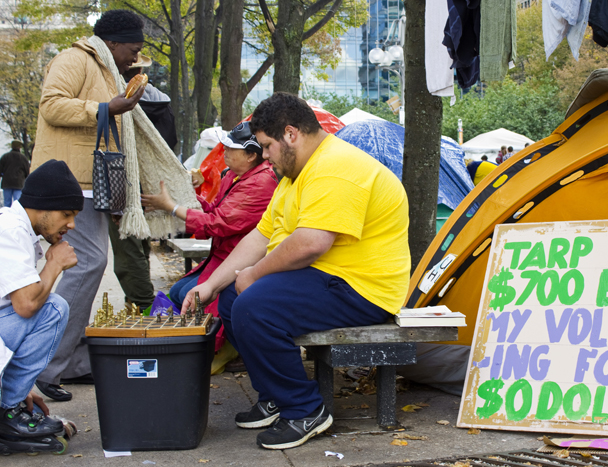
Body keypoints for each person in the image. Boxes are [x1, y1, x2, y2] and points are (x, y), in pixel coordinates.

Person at [180, 92, 409, 450]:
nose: (265, 156)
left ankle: (305, 409)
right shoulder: (294, 174)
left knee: (254, 304)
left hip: (363, 288)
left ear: (290, 134)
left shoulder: (337, 166)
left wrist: (254, 276)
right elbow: (260, 236)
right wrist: (209, 285)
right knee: (229, 297)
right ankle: (274, 394)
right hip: (327, 277)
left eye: (267, 146)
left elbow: (311, 243)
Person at [31, 9, 146, 402]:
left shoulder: (108, 70)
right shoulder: (74, 59)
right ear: (113, 42)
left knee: (90, 263)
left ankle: (74, 362)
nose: (136, 56)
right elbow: (51, 105)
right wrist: (104, 109)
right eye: (134, 48)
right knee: (91, 261)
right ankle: (47, 364)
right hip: (69, 183)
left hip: (90, 185)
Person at [0, 160, 82, 454]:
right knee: (52, 308)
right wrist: (54, 264)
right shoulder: (10, 231)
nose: (72, 225)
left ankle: (6, 402)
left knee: (48, 305)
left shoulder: (8, 223)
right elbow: (26, 305)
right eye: (66, 214)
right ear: (43, 208)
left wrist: (19, 384)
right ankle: (6, 414)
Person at [141, 121, 277, 309]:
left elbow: (217, 223)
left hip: (238, 259)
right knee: (176, 292)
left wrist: (171, 207)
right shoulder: (233, 174)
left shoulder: (260, 183)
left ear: (252, 155)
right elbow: (215, 209)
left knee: (185, 296)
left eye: (231, 148)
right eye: (225, 146)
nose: (225, 152)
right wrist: (189, 193)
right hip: (221, 253)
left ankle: (203, 336)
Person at [108, 54, 177, 312]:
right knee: (140, 243)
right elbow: (170, 142)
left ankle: (144, 306)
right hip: (151, 180)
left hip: (122, 178)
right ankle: (138, 301)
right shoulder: (161, 100)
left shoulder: (121, 99)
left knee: (127, 246)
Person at [0, 141, 30, 207]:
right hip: (19, 184)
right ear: (19, 147)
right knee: (17, 203)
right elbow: (27, 172)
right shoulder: (23, 158)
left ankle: (7, 216)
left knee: (7, 203)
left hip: (7, 183)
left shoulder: (5, 157)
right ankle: (17, 216)